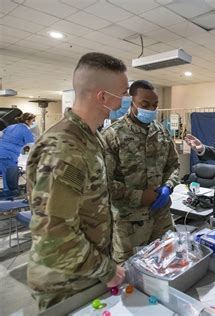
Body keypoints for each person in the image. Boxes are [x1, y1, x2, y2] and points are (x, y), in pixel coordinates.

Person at [26, 52, 128, 310]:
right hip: (66, 280)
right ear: (103, 97)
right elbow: (53, 234)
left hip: (86, 270)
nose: (124, 102)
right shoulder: (65, 149)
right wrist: (106, 269)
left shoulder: (91, 139)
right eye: (123, 94)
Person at [102, 80, 179, 264]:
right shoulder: (113, 135)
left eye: (155, 105)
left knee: (170, 262)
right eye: (145, 105)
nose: (151, 109)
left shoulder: (161, 131)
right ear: (131, 101)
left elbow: (173, 164)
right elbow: (103, 182)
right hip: (129, 223)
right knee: (130, 275)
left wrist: (168, 186)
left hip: (161, 216)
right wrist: (138, 196)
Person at [0, 112, 35, 191]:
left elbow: (1, 135)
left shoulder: (10, 126)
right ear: (27, 121)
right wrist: (25, 158)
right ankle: (9, 197)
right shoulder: (25, 130)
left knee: (6, 175)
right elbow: (29, 146)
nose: (33, 123)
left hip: (1, 152)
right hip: (8, 156)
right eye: (33, 120)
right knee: (9, 181)